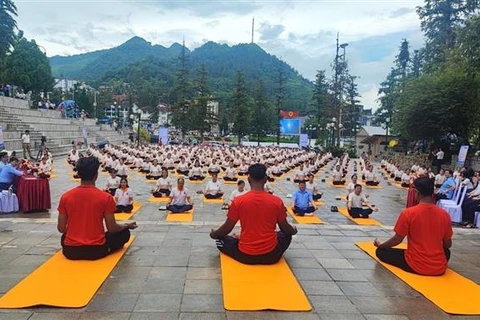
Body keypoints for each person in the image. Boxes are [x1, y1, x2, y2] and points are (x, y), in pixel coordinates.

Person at [210, 163, 297, 265]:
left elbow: (227, 228)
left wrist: (214, 234)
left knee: (220, 240)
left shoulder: (239, 201)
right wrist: (294, 230)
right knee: (287, 235)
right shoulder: (276, 201)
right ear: (265, 179)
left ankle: (241, 238)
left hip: (246, 255)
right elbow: (285, 228)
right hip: (271, 255)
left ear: (248, 179)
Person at [57, 157, 137, 260]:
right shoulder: (105, 197)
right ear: (96, 176)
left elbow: (61, 228)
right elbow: (112, 228)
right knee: (124, 233)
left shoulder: (66, 197)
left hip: (70, 250)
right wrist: (126, 225)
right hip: (96, 250)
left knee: (64, 237)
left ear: (79, 175)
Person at [374, 177, 452, 275]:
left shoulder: (408, 213)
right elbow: (448, 244)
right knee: (447, 252)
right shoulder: (445, 215)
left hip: (415, 264)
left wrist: (382, 245)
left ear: (417, 192)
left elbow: (397, 240)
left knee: (381, 251)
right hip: (438, 266)